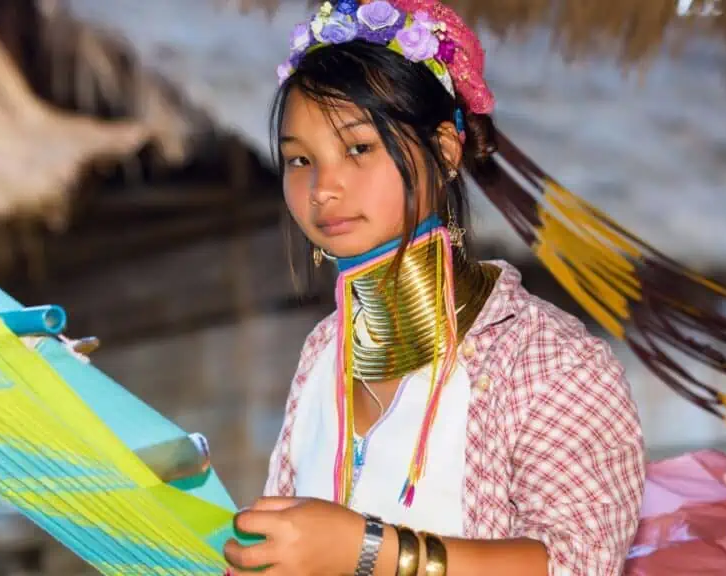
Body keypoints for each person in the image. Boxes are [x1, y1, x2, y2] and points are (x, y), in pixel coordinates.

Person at [222, 1, 647, 575]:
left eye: (359, 148)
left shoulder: (549, 363)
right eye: (300, 159)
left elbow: (580, 563)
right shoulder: (323, 353)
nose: (323, 188)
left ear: (445, 150)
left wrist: (370, 553)